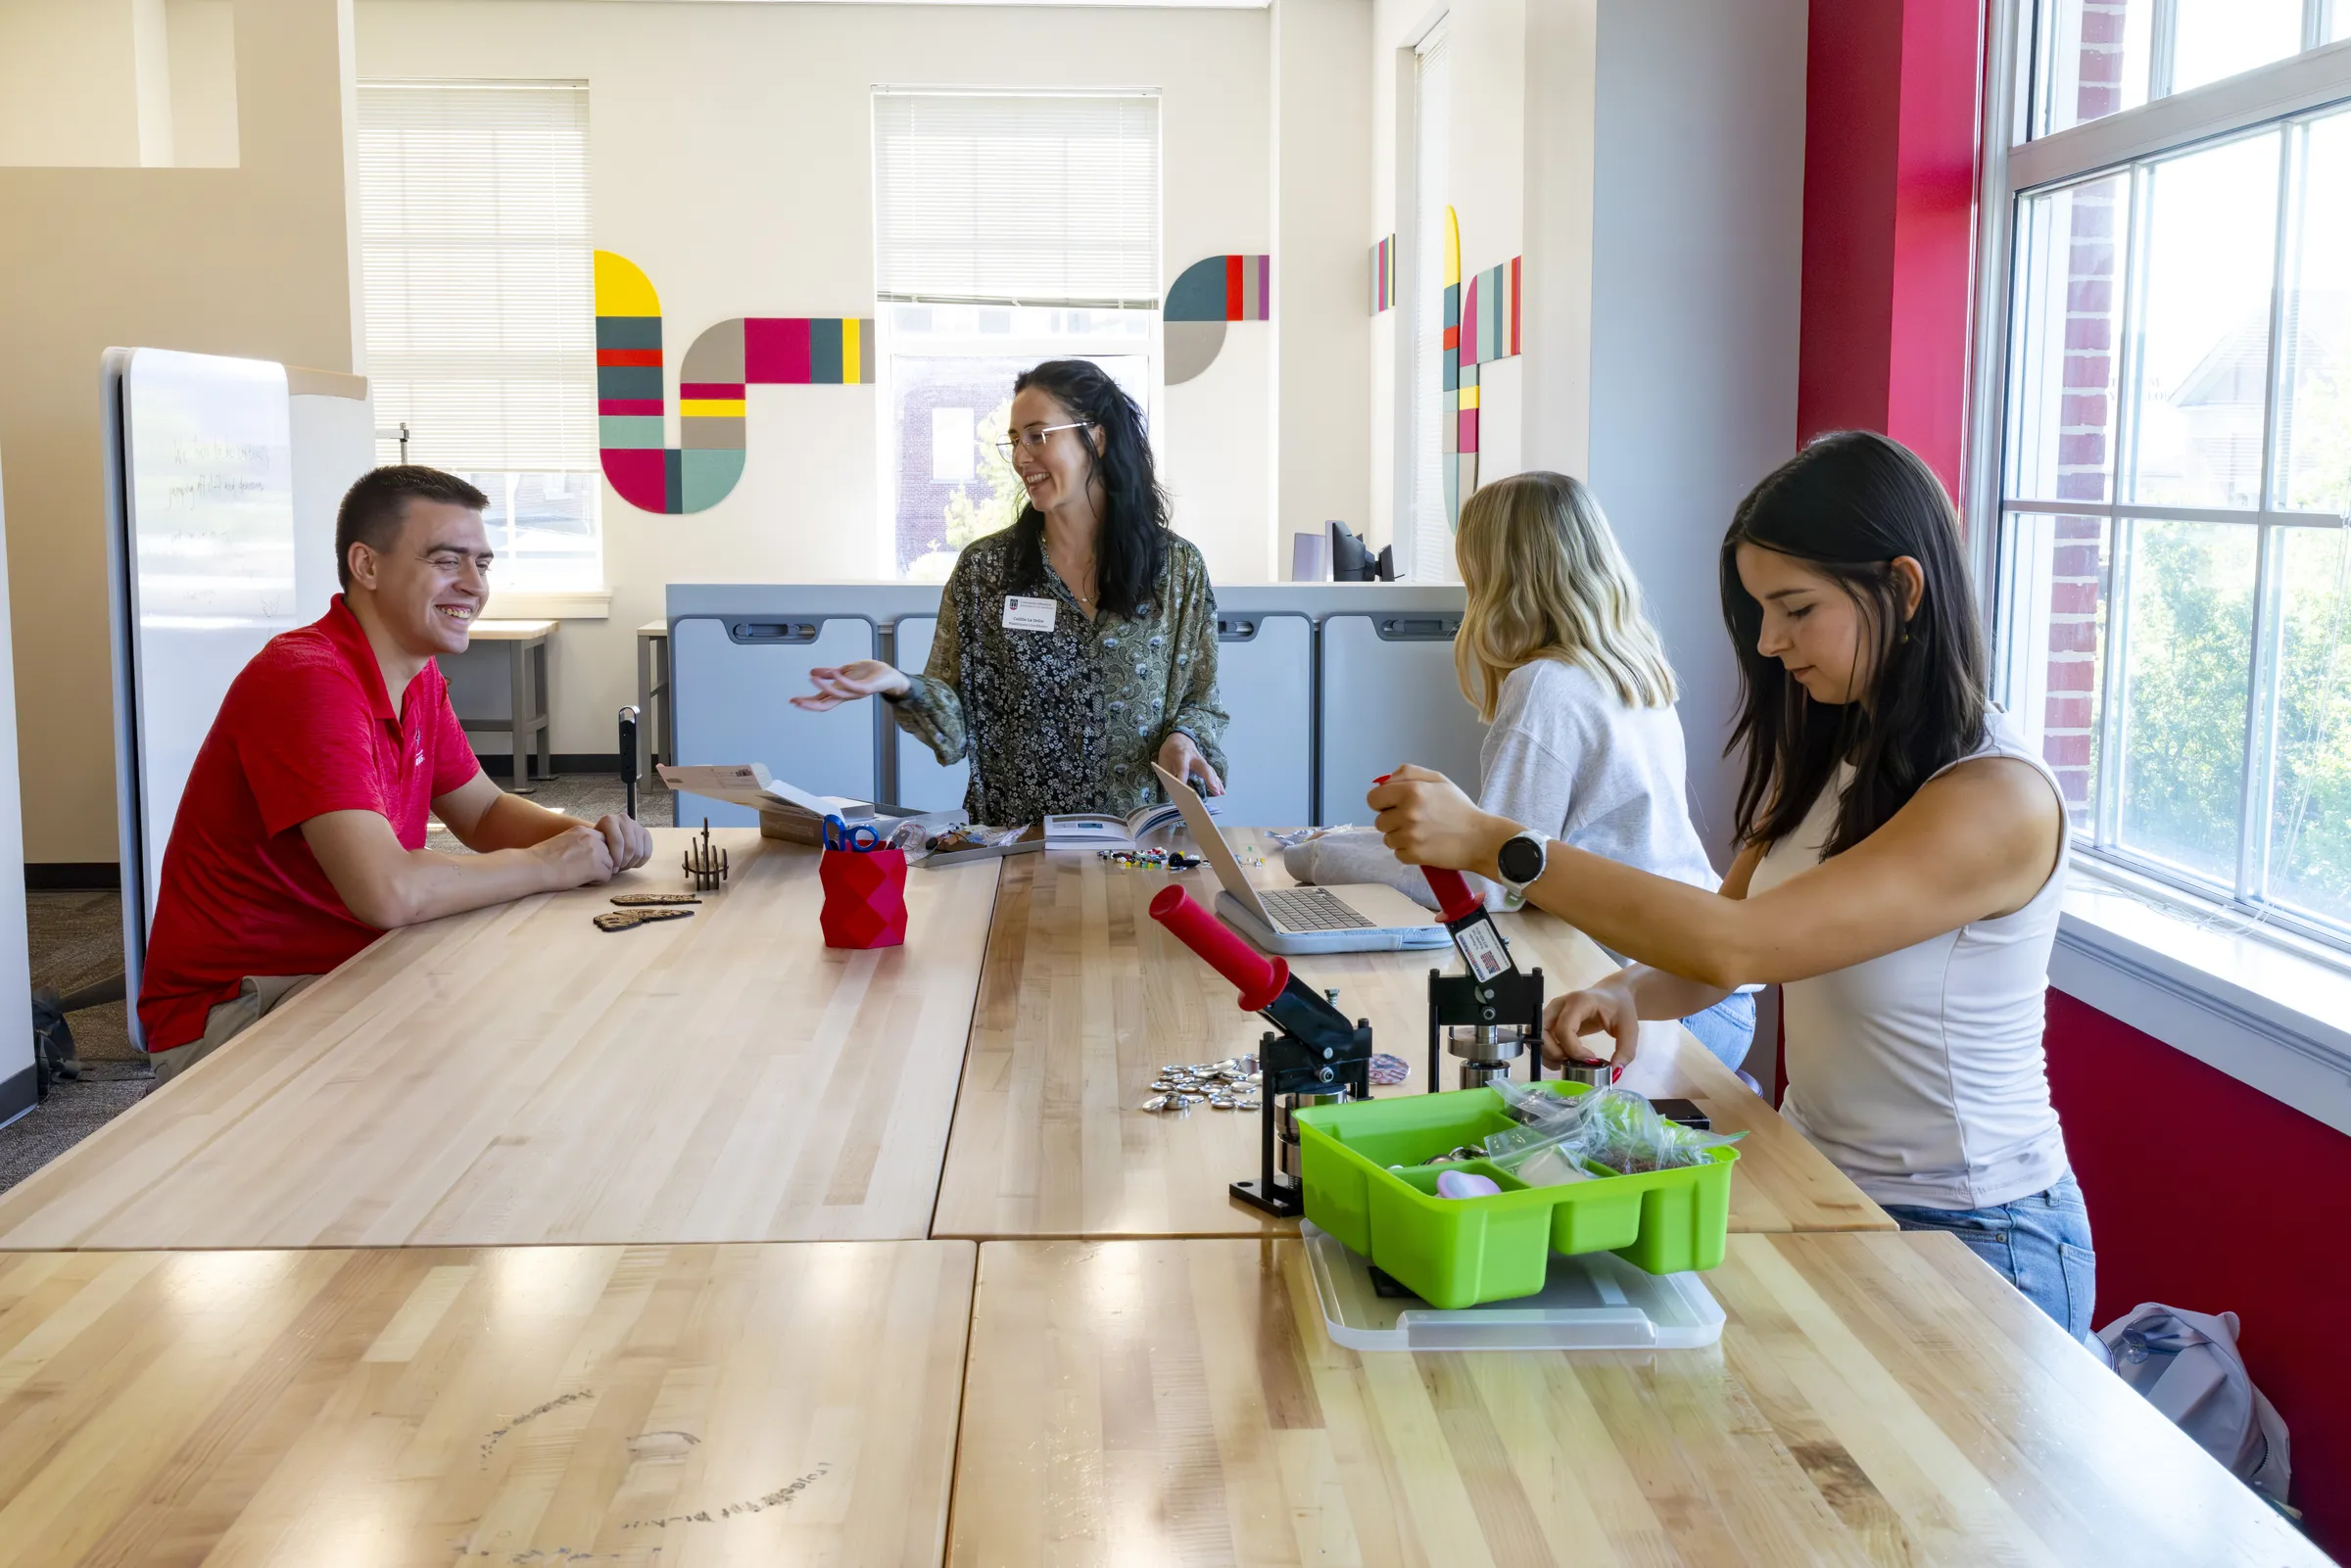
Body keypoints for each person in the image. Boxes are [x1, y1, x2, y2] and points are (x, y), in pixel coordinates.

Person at [1367, 432, 2093, 1338]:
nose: (1769, 640)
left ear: (1903, 589)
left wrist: (1499, 842)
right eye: (1759, 610)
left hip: (1974, 1230)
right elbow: (1722, 944)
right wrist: (1626, 988)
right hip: (1826, 1182)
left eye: (1795, 608)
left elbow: (1743, 947)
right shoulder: (1837, 751)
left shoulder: (1996, 799)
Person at [136, 466, 653, 1082]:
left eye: (482, 564)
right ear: (368, 566)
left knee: (540, 1025)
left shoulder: (418, 677)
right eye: (446, 560)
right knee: (497, 1063)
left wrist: (585, 839)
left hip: (353, 963)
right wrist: (547, 864)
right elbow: (388, 892)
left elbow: (483, 813)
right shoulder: (307, 680)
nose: (473, 585)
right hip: (240, 1009)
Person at [1285, 471, 1754, 1070]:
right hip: (1704, 983)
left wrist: (1314, 856)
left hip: (1646, 995)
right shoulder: (1631, 671)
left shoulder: (1546, 687)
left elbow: (1493, 881)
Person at [793, 359, 1226, 824]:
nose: (1021, 457)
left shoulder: (1176, 569)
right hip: (1016, 844)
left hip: (1137, 844)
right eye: (1016, 440)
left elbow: (1202, 702)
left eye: (1038, 436)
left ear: (1096, 438)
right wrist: (899, 685)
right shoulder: (985, 571)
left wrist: (1184, 737)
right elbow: (956, 730)